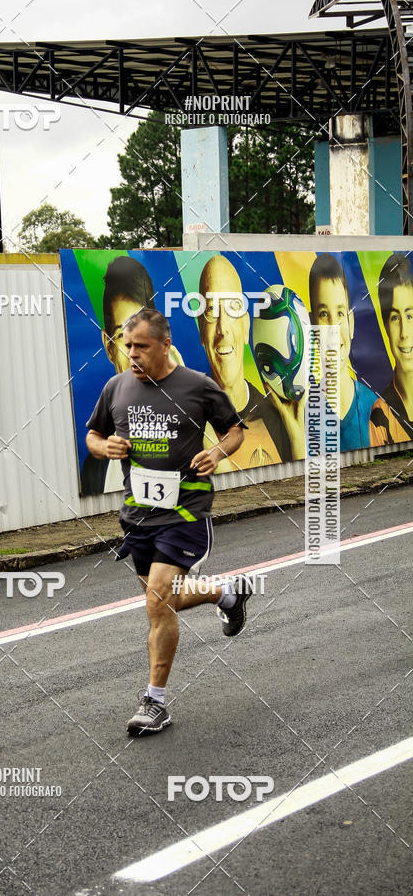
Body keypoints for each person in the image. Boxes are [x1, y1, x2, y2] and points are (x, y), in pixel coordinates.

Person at [85, 307, 252, 736]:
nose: (132, 354)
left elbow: (235, 430)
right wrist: (105, 448)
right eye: (127, 346)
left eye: (141, 346)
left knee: (158, 601)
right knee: (163, 601)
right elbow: (93, 435)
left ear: (165, 344)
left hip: (186, 513)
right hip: (138, 517)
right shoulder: (116, 387)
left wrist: (216, 452)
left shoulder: (198, 386)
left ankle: (154, 702)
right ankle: (227, 593)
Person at [81, 256, 183, 494]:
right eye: (123, 336)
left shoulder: (187, 425)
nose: (135, 352)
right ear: (108, 346)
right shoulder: (96, 470)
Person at [197, 255, 292, 470]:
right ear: (201, 329)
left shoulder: (277, 418)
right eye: (212, 311)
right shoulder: (190, 425)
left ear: (246, 325)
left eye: (233, 309)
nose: (222, 329)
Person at [309, 253, 378, 450]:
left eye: (340, 313)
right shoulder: (305, 412)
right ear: (312, 326)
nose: (333, 328)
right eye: (324, 314)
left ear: (351, 323)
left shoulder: (375, 408)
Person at [369, 253, 413, 445]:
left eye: (410, 316)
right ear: (386, 326)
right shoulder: (380, 417)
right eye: (395, 318)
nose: (404, 333)